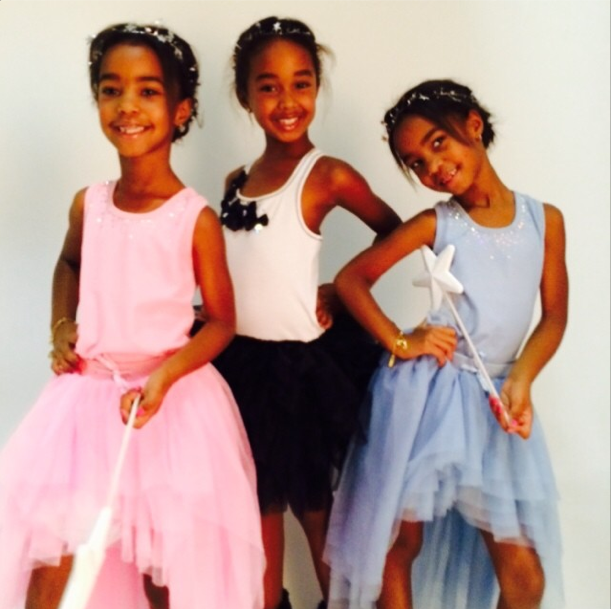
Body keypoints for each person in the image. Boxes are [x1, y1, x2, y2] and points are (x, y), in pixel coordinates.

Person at [0, 23, 264, 609]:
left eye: (148, 91)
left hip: (165, 411)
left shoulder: (193, 218)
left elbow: (222, 321)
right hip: (83, 406)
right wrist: (61, 326)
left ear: (180, 109)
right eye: (111, 89)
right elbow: (69, 262)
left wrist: (166, 376)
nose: (127, 105)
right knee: (52, 561)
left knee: (163, 574)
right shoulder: (89, 203)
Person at [324, 79, 568, 609]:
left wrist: (522, 378)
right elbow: (351, 280)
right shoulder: (438, 224)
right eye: (416, 163)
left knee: (524, 576)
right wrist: (400, 339)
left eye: (438, 144)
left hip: (495, 398)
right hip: (429, 396)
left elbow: (553, 317)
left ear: (473, 126)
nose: (432, 167)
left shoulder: (544, 220)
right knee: (399, 541)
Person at [211, 16, 401, 609]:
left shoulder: (327, 175)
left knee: (317, 511)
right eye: (268, 86)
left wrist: (341, 292)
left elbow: (394, 231)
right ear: (245, 94)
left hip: (297, 374)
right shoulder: (236, 181)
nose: (287, 101)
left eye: (301, 83)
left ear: (317, 86)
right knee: (257, 510)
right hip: (238, 365)